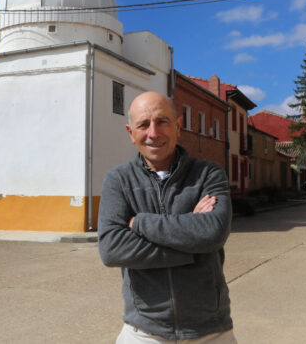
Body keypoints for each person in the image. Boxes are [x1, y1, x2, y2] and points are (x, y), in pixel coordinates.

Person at [98, 91, 236, 343]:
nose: (153, 133)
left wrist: (138, 223)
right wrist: (191, 246)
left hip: (211, 331)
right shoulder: (118, 180)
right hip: (143, 332)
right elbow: (112, 250)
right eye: (143, 124)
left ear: (178, 126)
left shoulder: (209, 174)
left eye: (162, 121)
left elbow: (213, 232)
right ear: (131, 132)